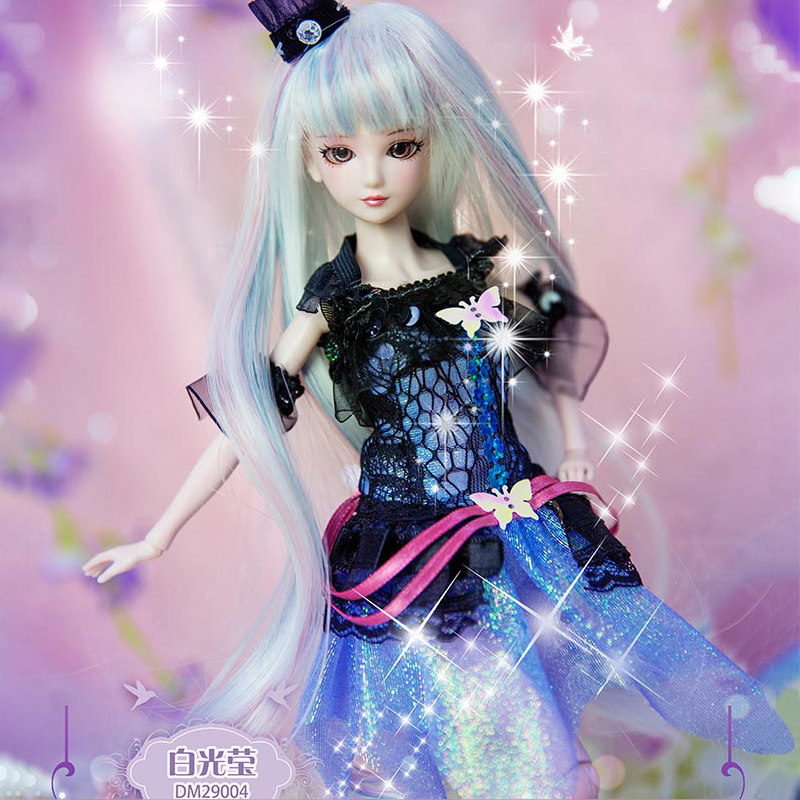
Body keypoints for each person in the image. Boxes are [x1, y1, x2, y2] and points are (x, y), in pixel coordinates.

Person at [82, 2, 794, 798]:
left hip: (519, 522)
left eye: (400, 146)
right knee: (471, 741)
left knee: (553, 738)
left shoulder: (475, 269)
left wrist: (573, 447)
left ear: (431, 144)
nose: (373, 176)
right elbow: (250, 420)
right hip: (413, 552)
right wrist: (159, 536)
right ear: (310, 164)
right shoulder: (333, 302)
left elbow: (544, 351)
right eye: (342, 152)